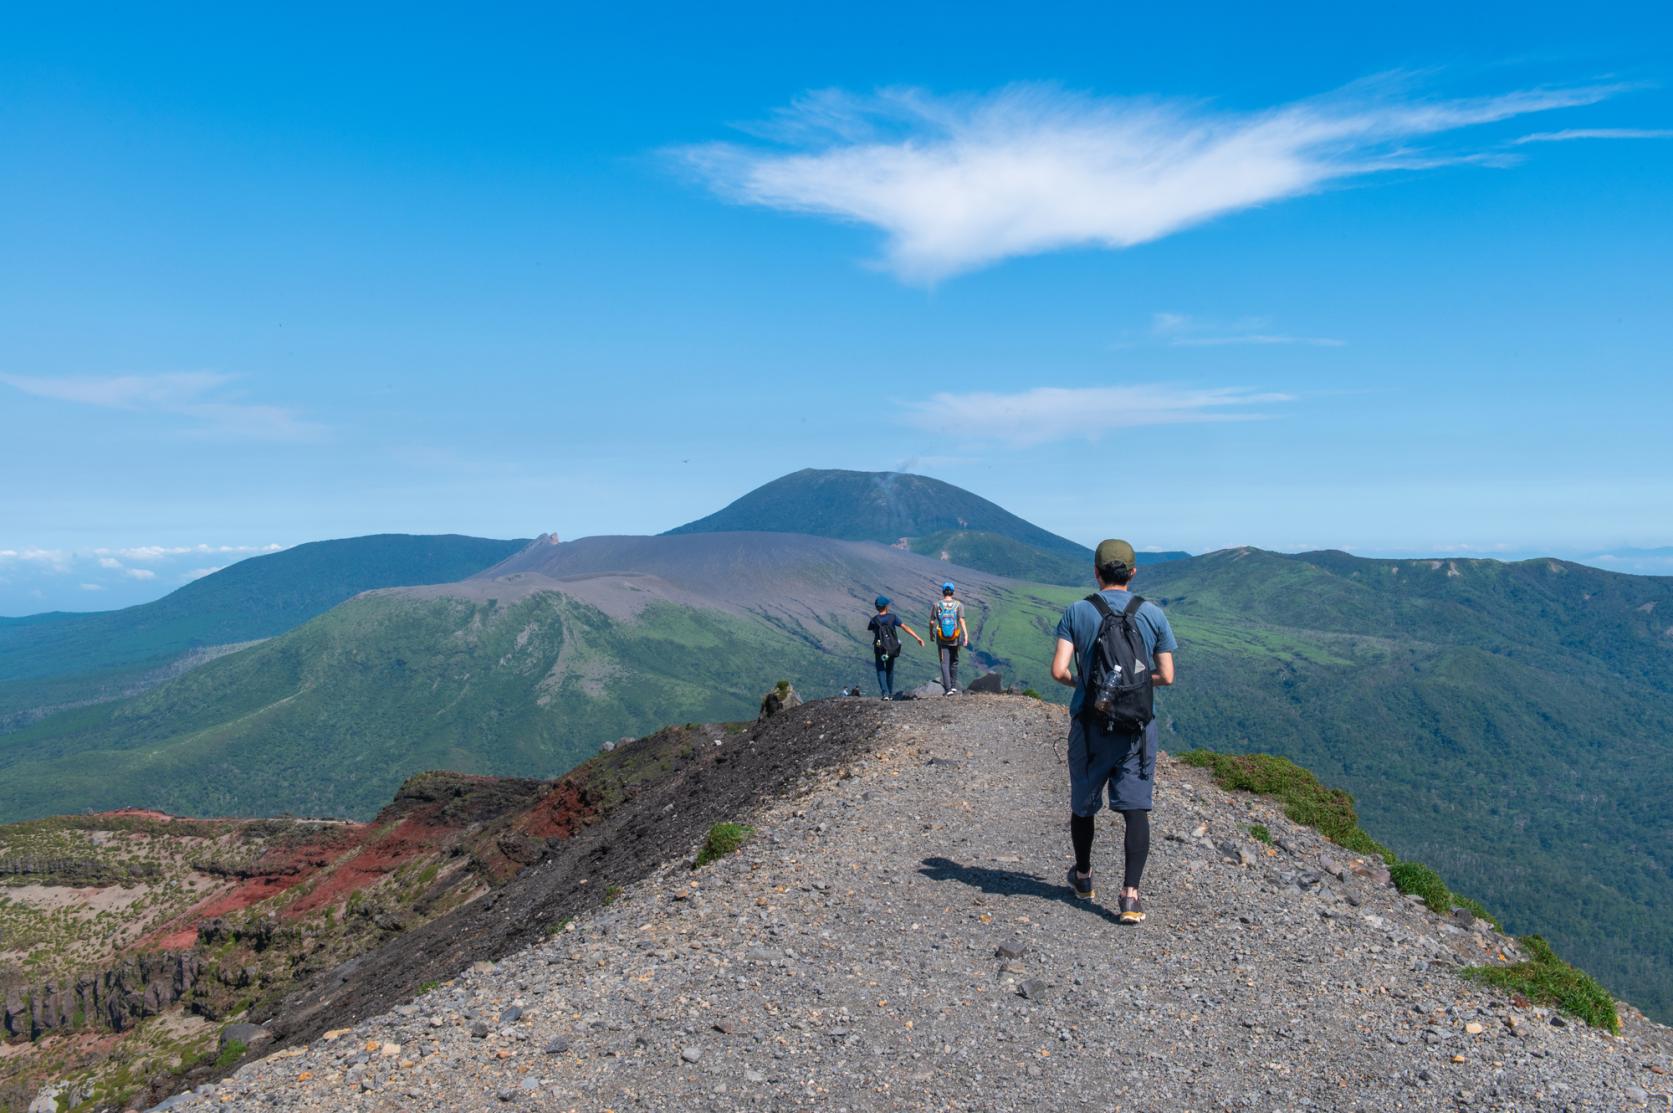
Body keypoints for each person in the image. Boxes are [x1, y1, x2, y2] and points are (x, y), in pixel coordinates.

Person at [1049, 539, 1177, 924]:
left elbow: (1058, 671)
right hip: (1137, 729)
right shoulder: (1152, 614)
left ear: (1096, 571)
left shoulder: (1077, 612)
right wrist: (1131, 688)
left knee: (1083, 805)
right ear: (1133, 573)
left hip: (1090, 725)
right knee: (1135, 810)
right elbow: (1167, 676)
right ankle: (1131, 897)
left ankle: (1084, 877)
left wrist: (1094, 688)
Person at [866, 595, 924, 700]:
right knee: (890, 669)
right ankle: (890, 693)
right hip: (891, 647)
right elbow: (905, 627)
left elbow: (871, 629)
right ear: (886, 606)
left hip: (879, 647)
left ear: (876, 607)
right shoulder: (893, 617)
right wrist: (917, 637)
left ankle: (885, 693)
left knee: (880, 669)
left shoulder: (874, 620)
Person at [930, 581, 969, 694]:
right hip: (955, 638)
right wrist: (966, 635)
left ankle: (948, 689)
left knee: (944, 662)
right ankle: (953, 686)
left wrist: (931, 633)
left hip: (941, 638)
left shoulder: (936, 605)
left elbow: (932, 622)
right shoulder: (959, 605)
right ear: (952, 592)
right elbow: (961, 620)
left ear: (943, 592)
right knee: (954, 661)